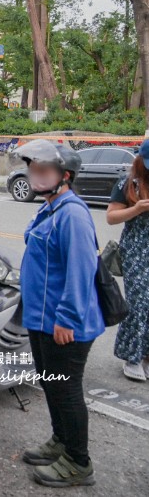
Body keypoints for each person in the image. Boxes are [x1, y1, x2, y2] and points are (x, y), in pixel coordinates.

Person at [14, 139, 103, 488]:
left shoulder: (73, 213)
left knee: (66, 391)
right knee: (52, 387)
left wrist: (66, 318)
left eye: (44, 170)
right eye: (33, 168)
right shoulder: (50, 207)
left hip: (65, 324)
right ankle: (61, 442)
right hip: (42, 320)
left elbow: (81, 271)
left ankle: (79, 463)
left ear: (65, 176)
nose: (36, 175)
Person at [108, 139, 149, 381]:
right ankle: (131, 358)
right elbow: (111, 217)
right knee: (139, 305)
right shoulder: (128, 183)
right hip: (136, 253)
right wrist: (137, 209)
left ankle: (146, 358)